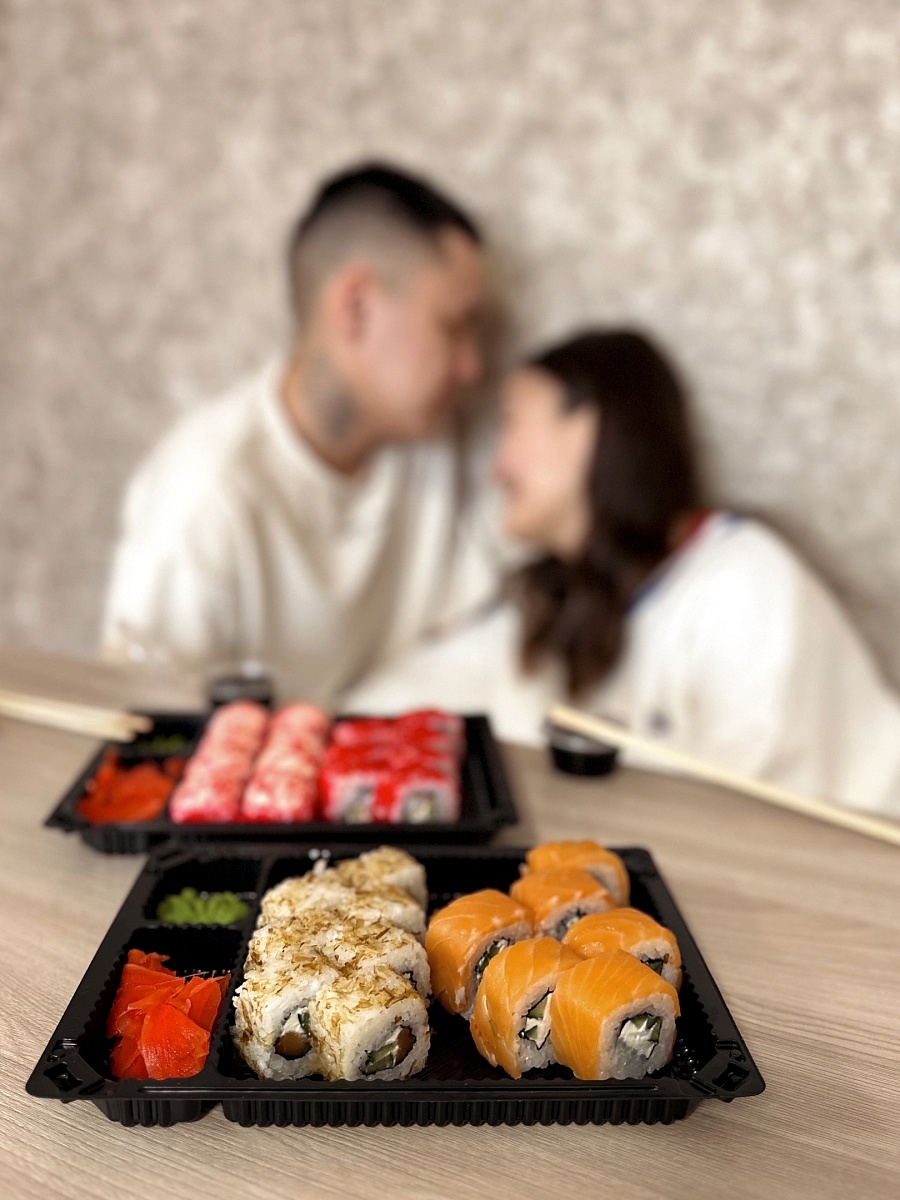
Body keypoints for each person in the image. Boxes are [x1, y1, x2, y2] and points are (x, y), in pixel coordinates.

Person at [345, 329, 900, 815]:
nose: (497, 468)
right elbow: (411, 693)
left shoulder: (744, 584)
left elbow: (760, 822)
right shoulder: (557, 602)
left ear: (587, 428)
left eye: (511, 424)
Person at [102, 163, 507, 702]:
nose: (471, 366)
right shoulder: (203, 497)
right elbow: (147, 717)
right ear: (356, 307)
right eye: (452, 326)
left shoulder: (430, 445)